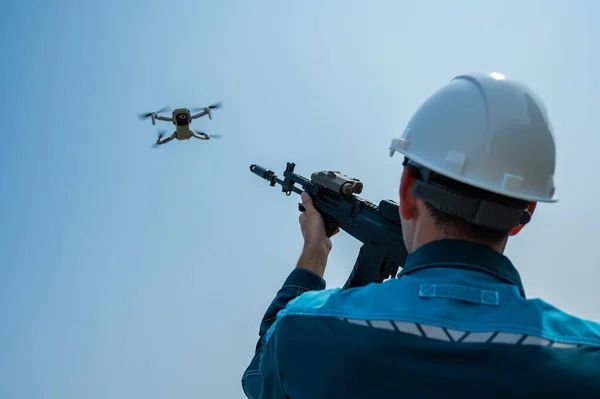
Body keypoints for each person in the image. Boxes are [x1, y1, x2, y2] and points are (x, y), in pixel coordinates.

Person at [241, 72, 600, 398]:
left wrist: (313, 254)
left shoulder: (305, 329)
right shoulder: (587, 355)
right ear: (525, 216)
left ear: (407, 191)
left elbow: (260, 377)